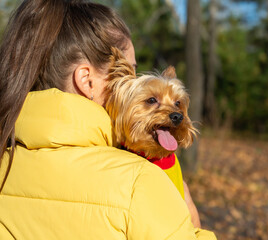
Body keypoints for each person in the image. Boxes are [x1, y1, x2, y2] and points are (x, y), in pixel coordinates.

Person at [0, 0, 216, 239]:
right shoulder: (139, 182)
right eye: (126, 71)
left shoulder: (4, 163)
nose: (130, 82)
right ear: (87, 81)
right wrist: (195, 227)